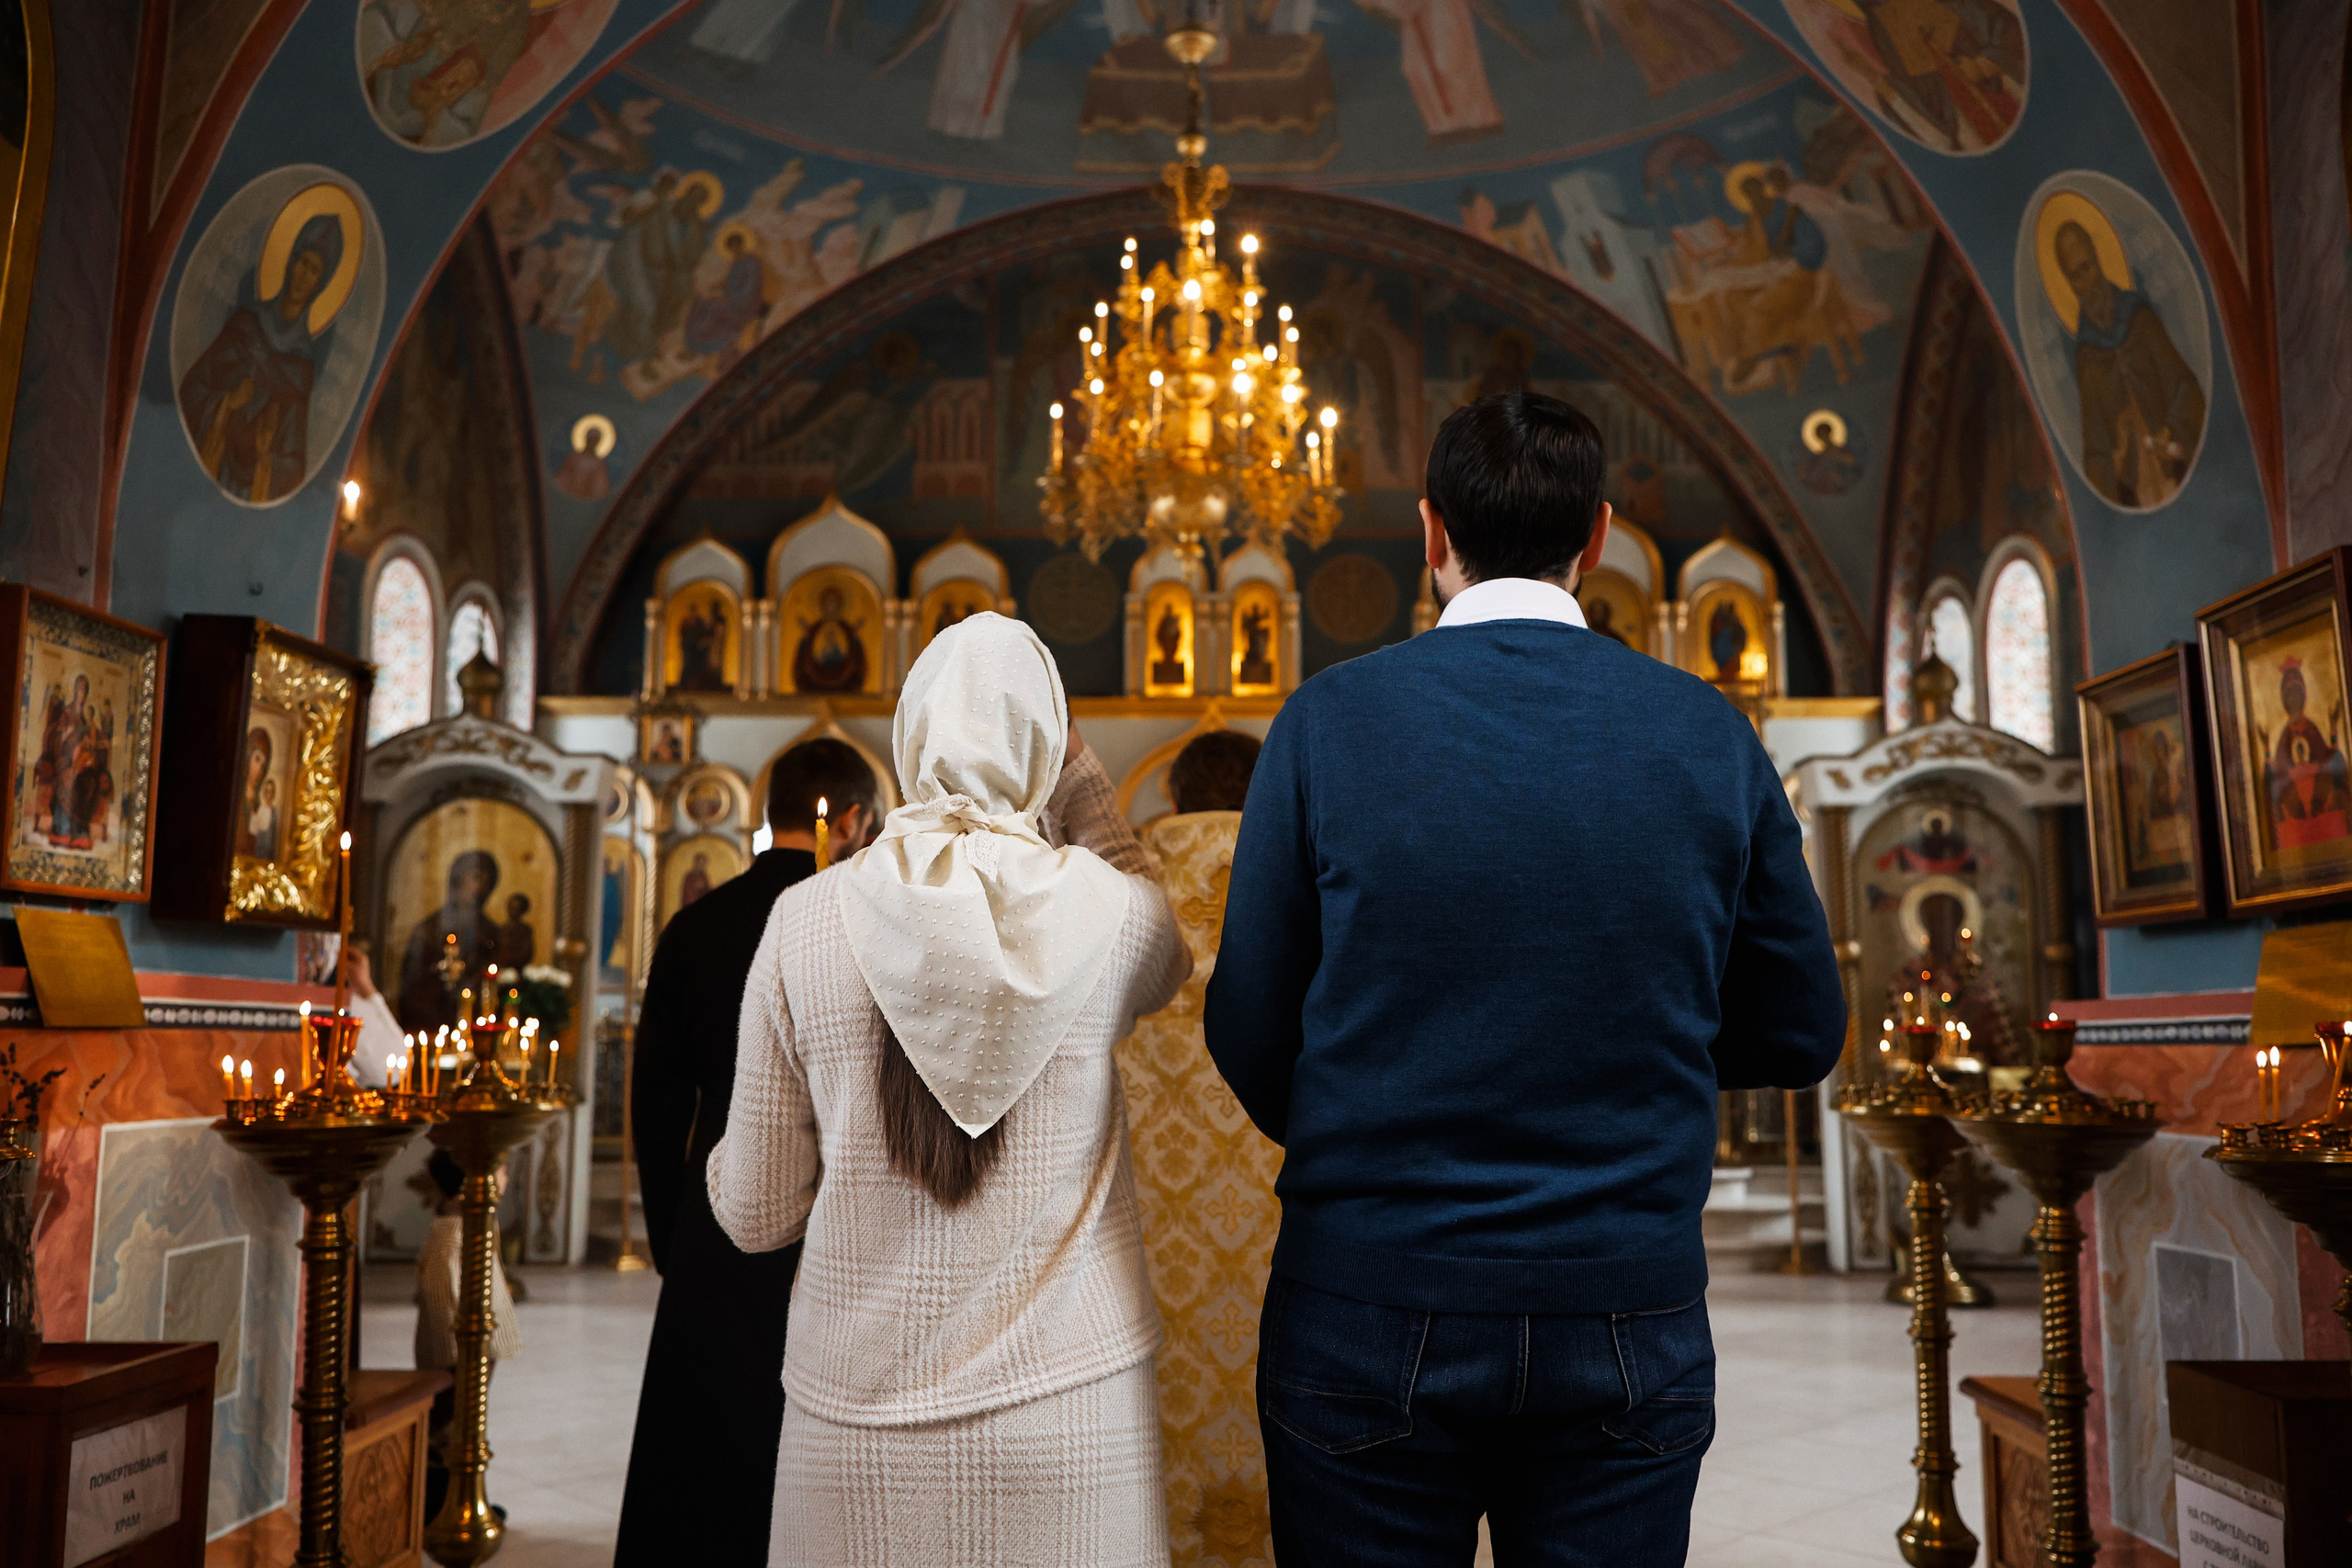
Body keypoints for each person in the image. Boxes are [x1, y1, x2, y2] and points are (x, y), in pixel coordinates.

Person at [1204, 391, 1846, 1565]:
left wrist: (1372, 1119)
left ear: (1431, 531)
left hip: (1367, 1289)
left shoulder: (1327, 723)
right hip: (1623, 1294)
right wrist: (1635, 1058)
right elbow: (1801, 1027)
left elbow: (1247, 1022)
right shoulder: (1704, 730)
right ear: (1596, 536)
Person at [707, 614, 1190, 1565]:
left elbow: (757, 1215)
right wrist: (1079, 778)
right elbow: (1161, 925)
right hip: (1071, 1416)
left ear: (908, 735)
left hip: (854, 1423)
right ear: (1045, 747)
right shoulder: (1114, 912)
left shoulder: (801, 921)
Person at [616, 738, 884, 1567]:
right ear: (850, 819)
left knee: (705, 1454)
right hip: (842, 1216)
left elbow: (657, 1103)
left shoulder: (695, 924)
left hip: (717, 1212)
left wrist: (675, 1234)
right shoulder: (860, 921)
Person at [1118, 728, 1277, 1564]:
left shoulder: (1122, 892)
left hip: (1148, 1226)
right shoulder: (1306, 879)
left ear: (1173, 797)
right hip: (1286, 1224)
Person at [416, 1147, 521, 1522]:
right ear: (469, 1185)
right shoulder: (450, 1234)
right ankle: (442, 1504)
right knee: (450, 1425)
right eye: (501, 1170)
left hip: (478, 1345)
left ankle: (470, 1499)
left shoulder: (470, 1224)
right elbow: (440, 1294)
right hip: (460, 1351)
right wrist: (456, 1355)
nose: (505, 1178)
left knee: (469, 1422)